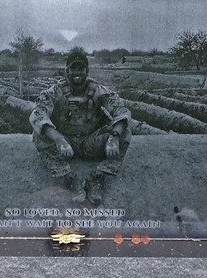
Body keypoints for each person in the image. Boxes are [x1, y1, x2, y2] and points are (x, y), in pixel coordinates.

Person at [29, 48, 131, 205]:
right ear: (67, 70)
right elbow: (38, 113)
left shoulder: (98, 90)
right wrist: (58, 139)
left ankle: (97, 177)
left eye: (80, 68)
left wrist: (114, 137)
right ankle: (69, 179)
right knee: (38, 133)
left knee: (124, 129)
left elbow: (121, 111)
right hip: (65, 143)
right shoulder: (55, 91)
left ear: (87, 70)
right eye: (73, 68)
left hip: (91, 142)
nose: (77, 72)